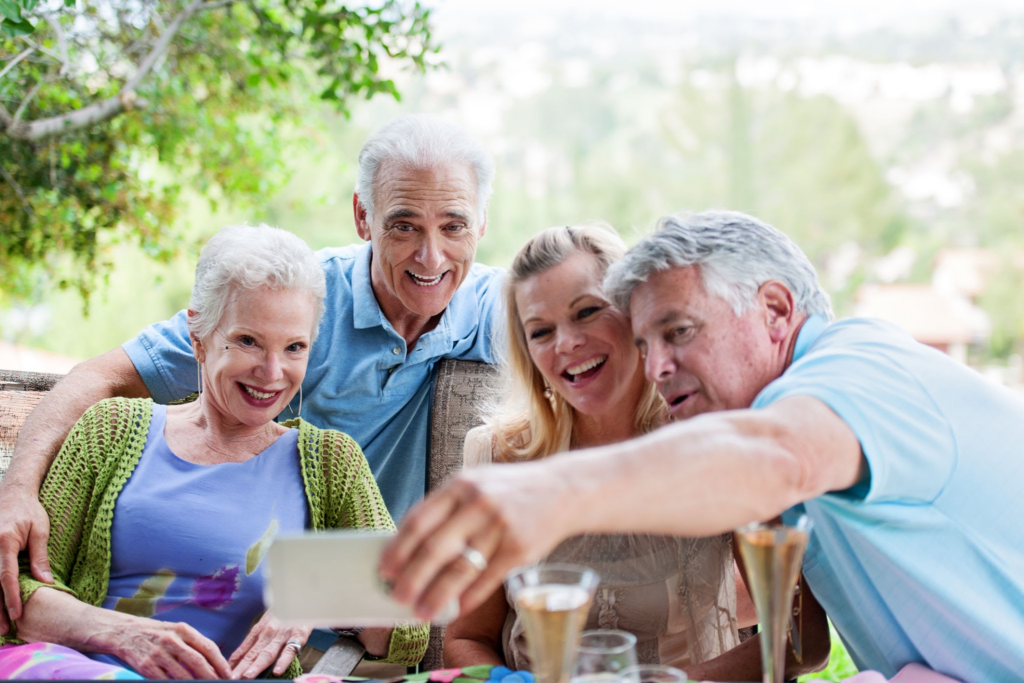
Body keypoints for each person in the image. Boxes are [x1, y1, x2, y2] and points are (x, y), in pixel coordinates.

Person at [379, 210, 1024, 682]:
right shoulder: (781, 440)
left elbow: (776, 459)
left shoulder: (860, 370)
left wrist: (554, 492)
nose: (657, 366)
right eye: (645, 342)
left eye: (679, 330)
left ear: (776, 310)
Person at [0, 114, 502, 634]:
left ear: (481, 223)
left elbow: (563, 323)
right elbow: (100, 377)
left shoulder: (494, 309)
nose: (430, 256)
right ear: (363, 216)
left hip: (353, 619)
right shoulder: (292, 300)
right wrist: (15, 491)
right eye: (403, 225)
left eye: (454, 226)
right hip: (221, 605)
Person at [0, 225, 428, 680]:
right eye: (248, 341)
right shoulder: (111, 430)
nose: (272, 372)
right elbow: (16, 588)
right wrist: (123, 635)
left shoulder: (330, 463)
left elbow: (410, 627)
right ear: (198, 335)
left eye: (294, 347)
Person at [444, 224, 826, 681]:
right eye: (541, 331)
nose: (566, 343)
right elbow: (467, 638)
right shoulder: (499, 456)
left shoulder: (713, 440)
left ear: (635, 314)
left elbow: (802, 639)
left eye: (587, 312)